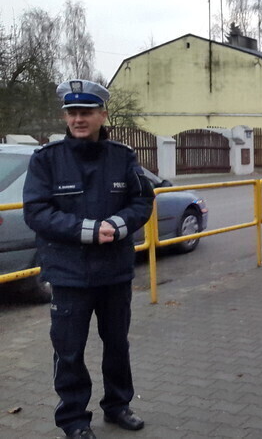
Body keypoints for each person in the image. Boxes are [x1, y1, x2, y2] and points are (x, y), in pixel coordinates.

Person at [23, 79, 154, 439]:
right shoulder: (47, 160)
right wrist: (87, 230)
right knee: (69, 352)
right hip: (69, 275)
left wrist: (118, 224)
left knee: (117, 345)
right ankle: (74, 420)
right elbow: (36, 211)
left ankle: (117, 406)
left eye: (86, 112)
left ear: (102, 115)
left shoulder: (123, 156)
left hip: (114, 272)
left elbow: (142, 202)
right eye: (72, 113)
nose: (78, 119)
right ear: (66, 117)